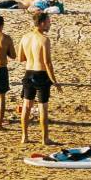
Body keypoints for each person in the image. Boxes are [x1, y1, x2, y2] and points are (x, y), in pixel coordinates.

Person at [17, 11, 57, 146]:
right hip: (41, 74)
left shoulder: (25, 37)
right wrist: (54, 81)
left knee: (26, 106)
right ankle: (45, 138)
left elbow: (20, 58)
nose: (50, 24)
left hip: (28, 73)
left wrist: (32, 56)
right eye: (48, 22)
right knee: (42, 108)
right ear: (42, 23)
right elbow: (47, 63)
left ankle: (24, 136)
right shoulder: (44, 39)